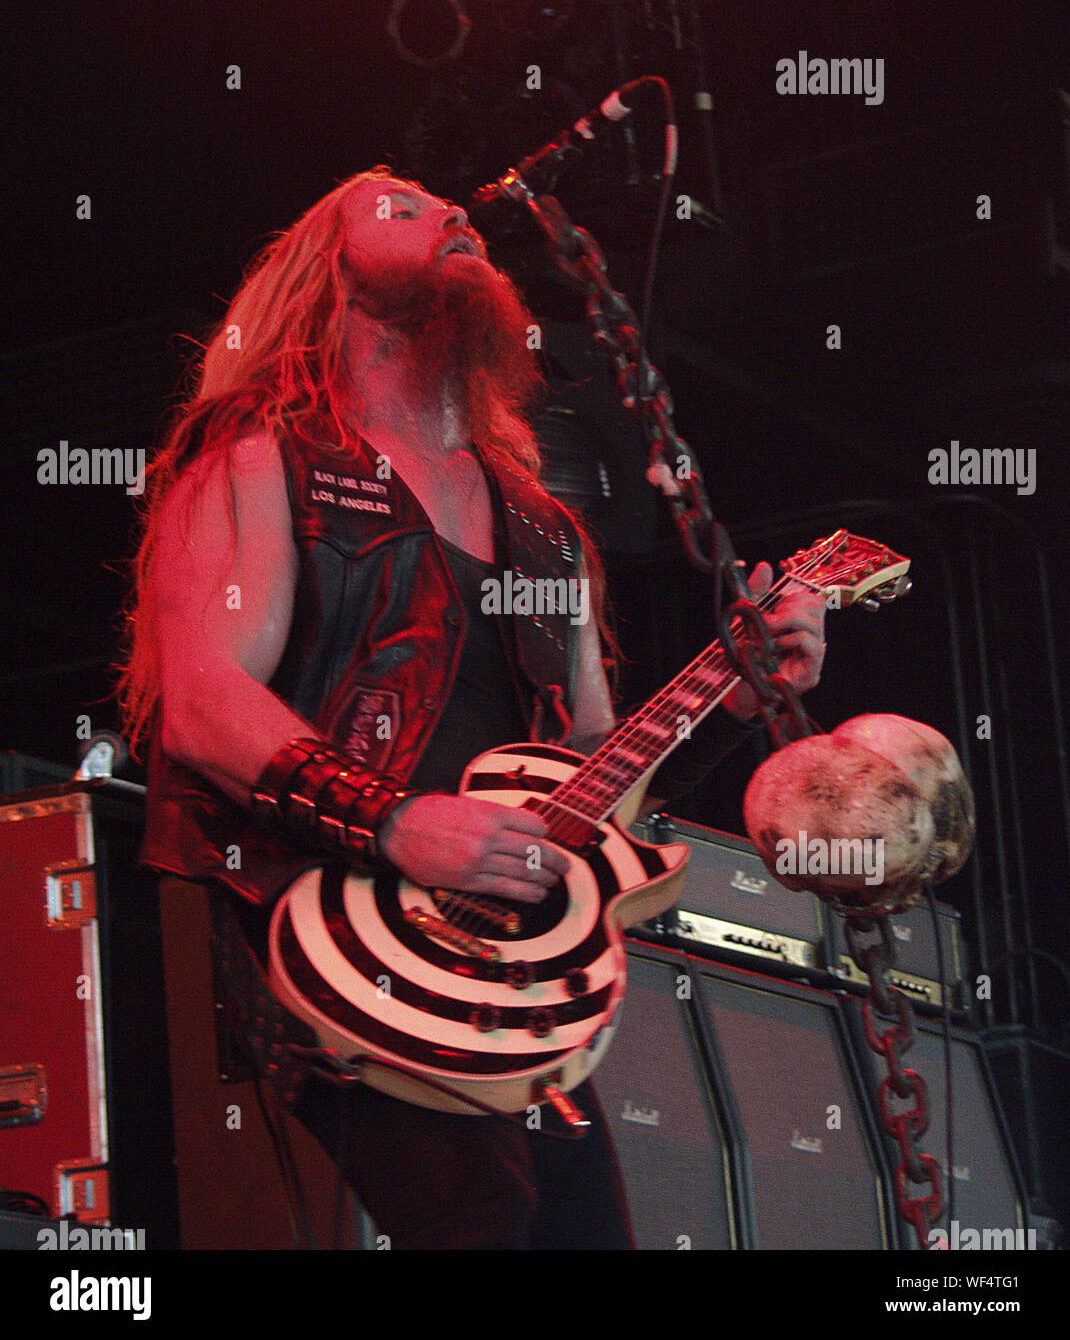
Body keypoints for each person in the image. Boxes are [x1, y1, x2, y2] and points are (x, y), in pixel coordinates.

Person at [120, 164, 828, 1249]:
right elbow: (203, 700)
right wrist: (399, 821)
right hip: (325, 937)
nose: (450, 212)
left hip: (500, 979)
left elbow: (599, 784)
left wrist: (732, 694)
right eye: (396, 207)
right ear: (331, 276)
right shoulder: (266, 458)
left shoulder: (544, 527)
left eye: (449, 209)